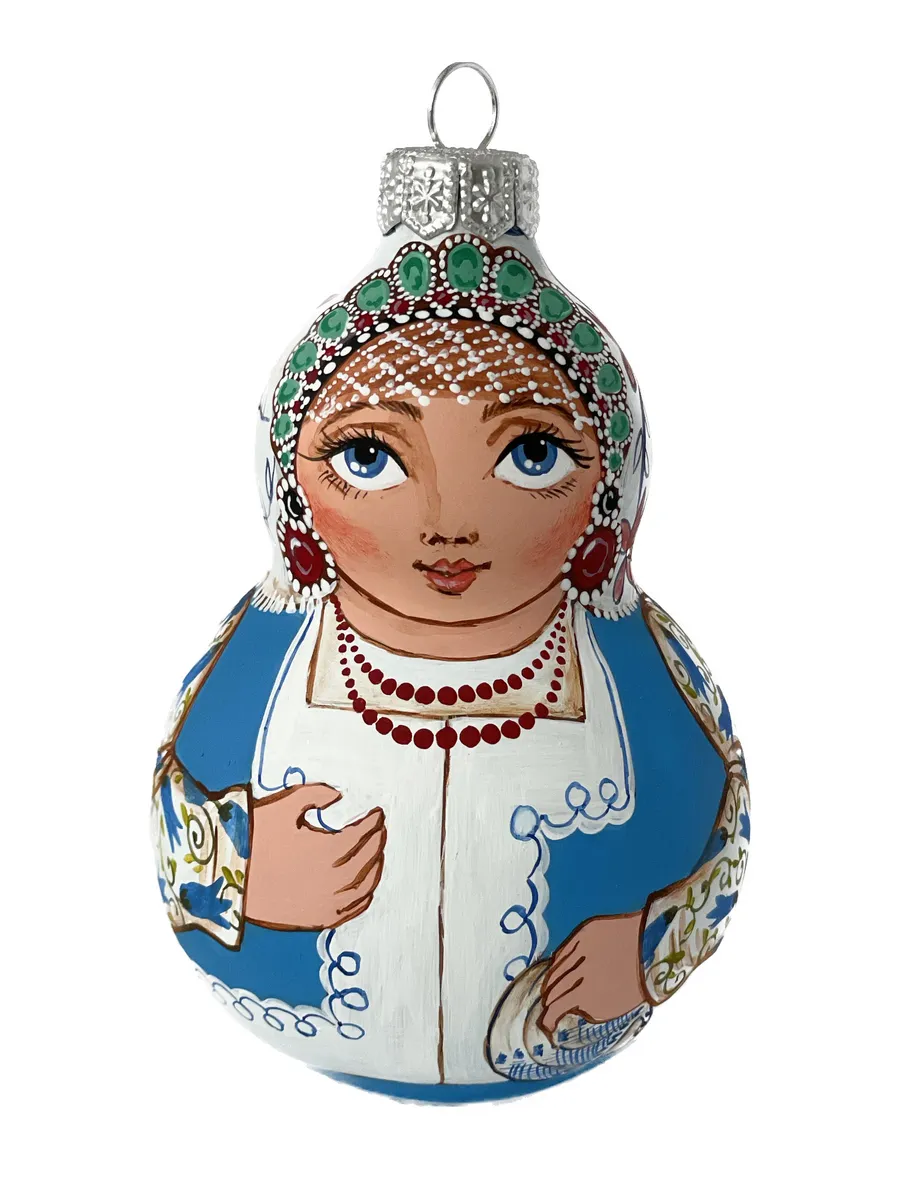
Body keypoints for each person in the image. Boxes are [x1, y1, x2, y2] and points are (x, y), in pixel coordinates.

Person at [152, 237, 749, 1102]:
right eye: (369, 457)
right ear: (292, 485)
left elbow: (725, 821)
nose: (449, 525)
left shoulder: (635, 666)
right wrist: (235, 870)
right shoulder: (271, 652)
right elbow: (173, 808)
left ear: (609, 487)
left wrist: (649, 948)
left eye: (532, 454)